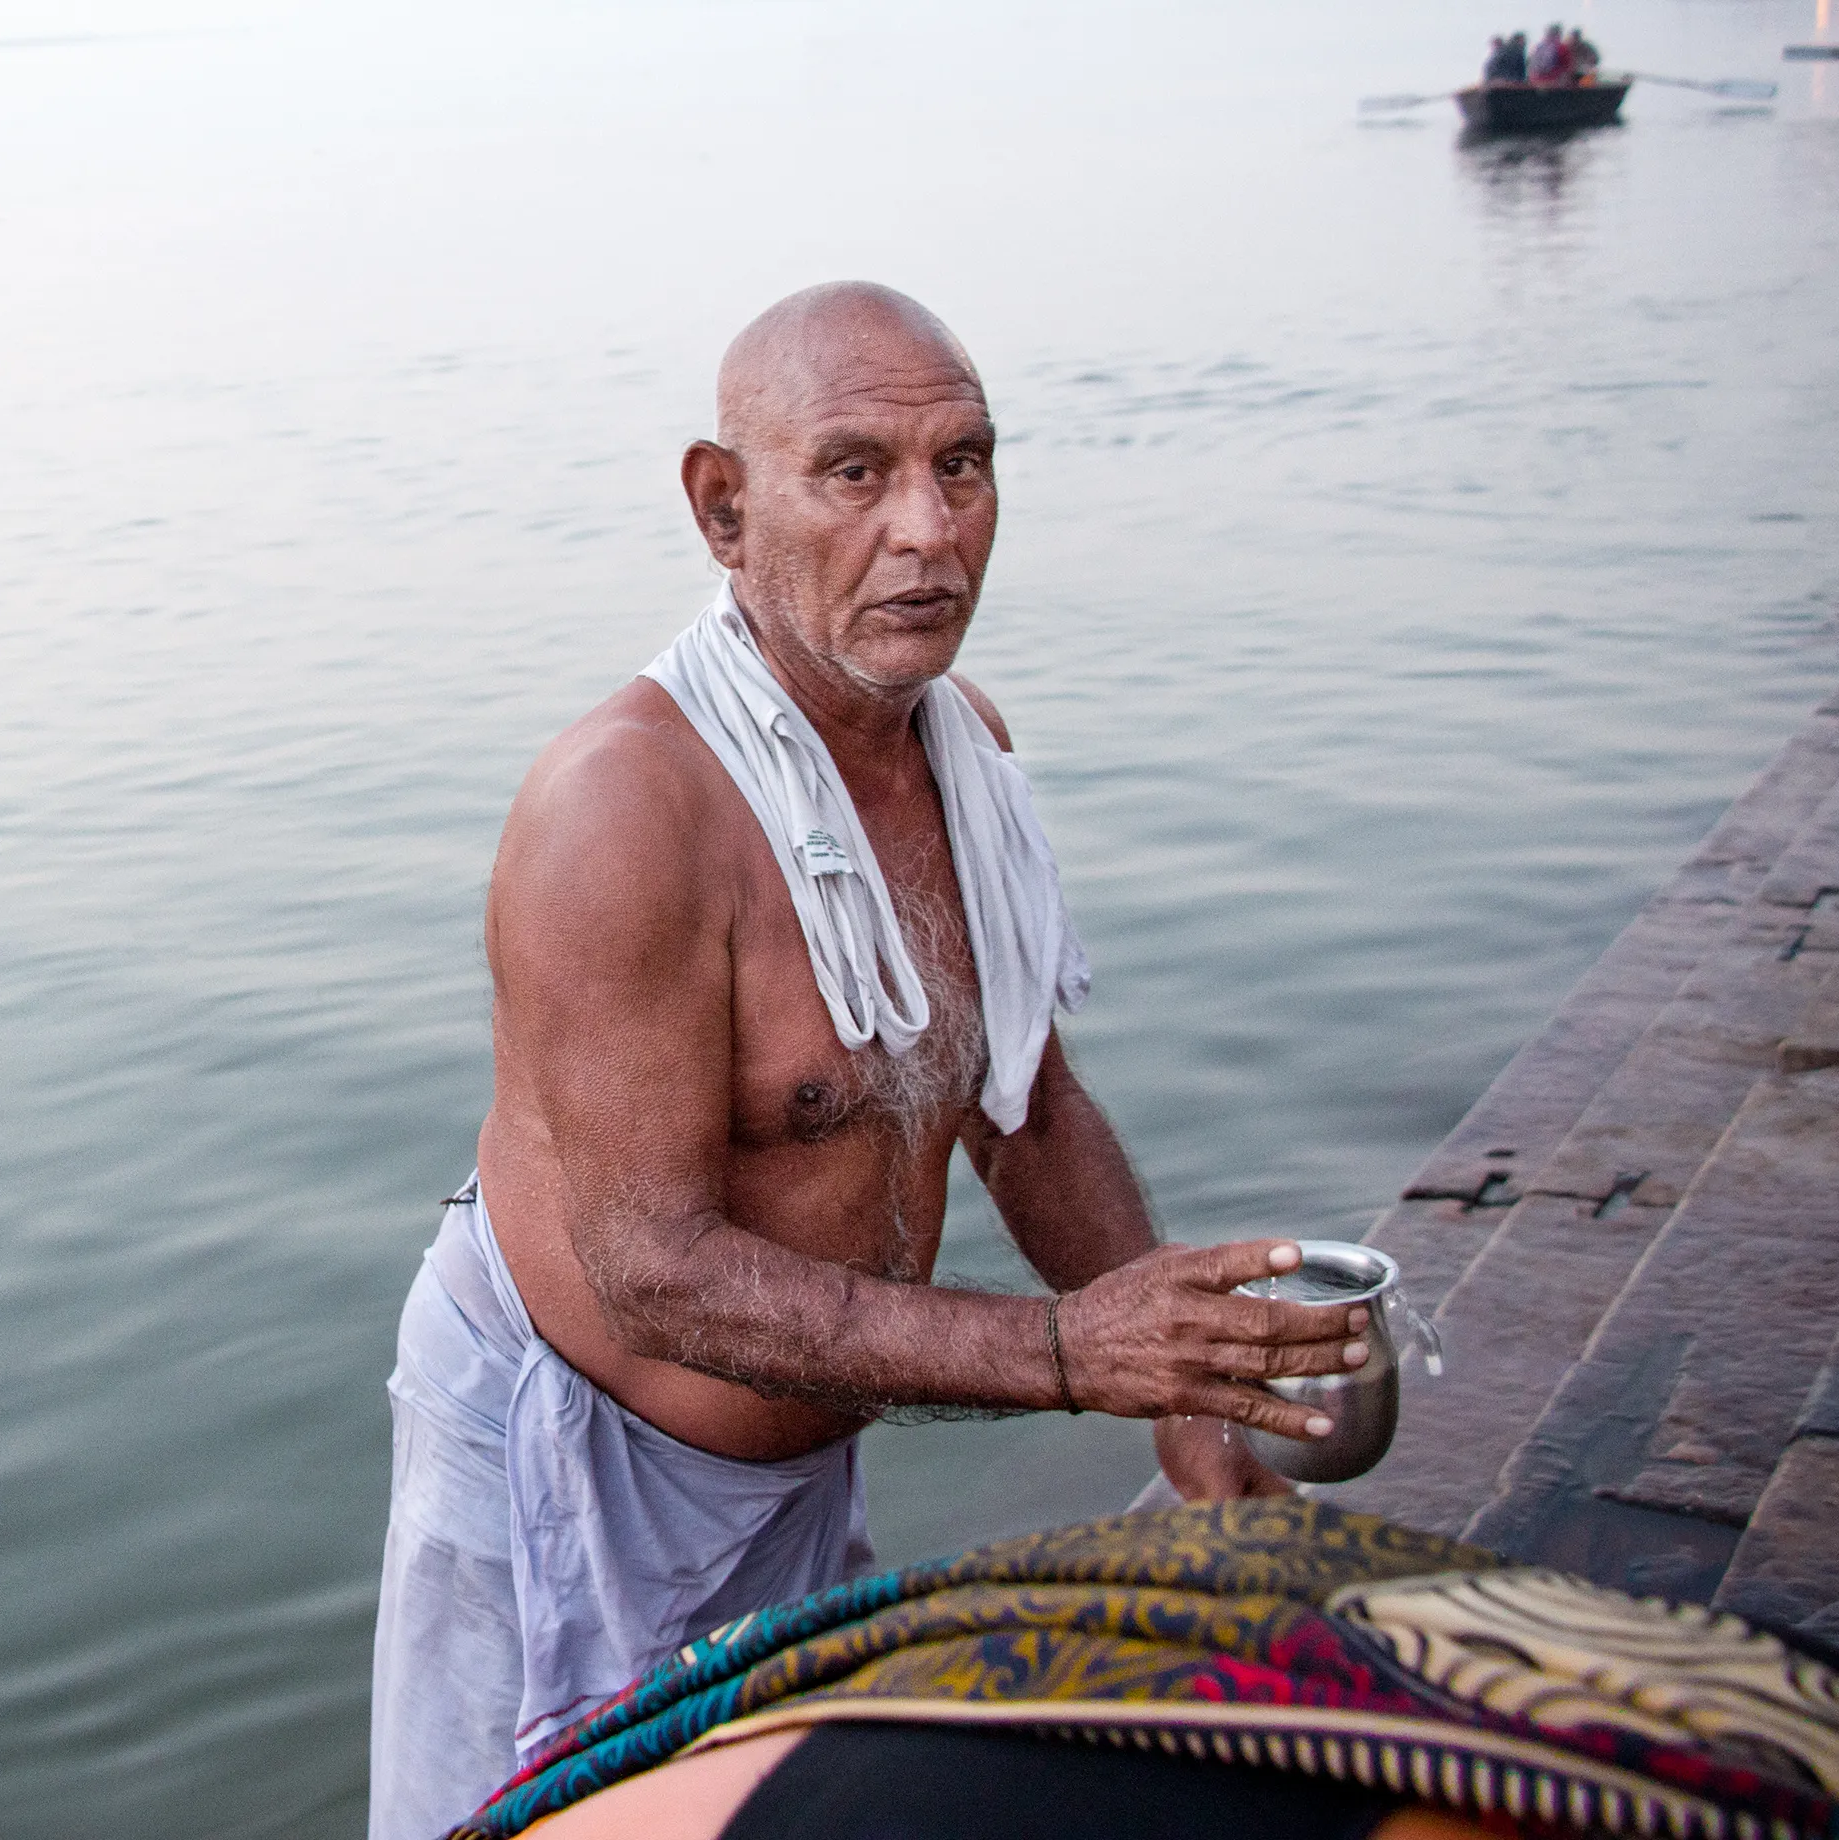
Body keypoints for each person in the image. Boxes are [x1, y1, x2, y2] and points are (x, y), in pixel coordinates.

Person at [365, 283, 1369, 1840]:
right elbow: (654, 1274)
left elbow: (1026, 1107)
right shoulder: (622, 814)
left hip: (803, 1448)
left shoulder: (966, 752)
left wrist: (1180, 1397)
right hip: (573, 1469)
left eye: (963, 466)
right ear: (723, 508)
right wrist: (1065, 1353)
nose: (929, 532)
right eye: (855, 472)